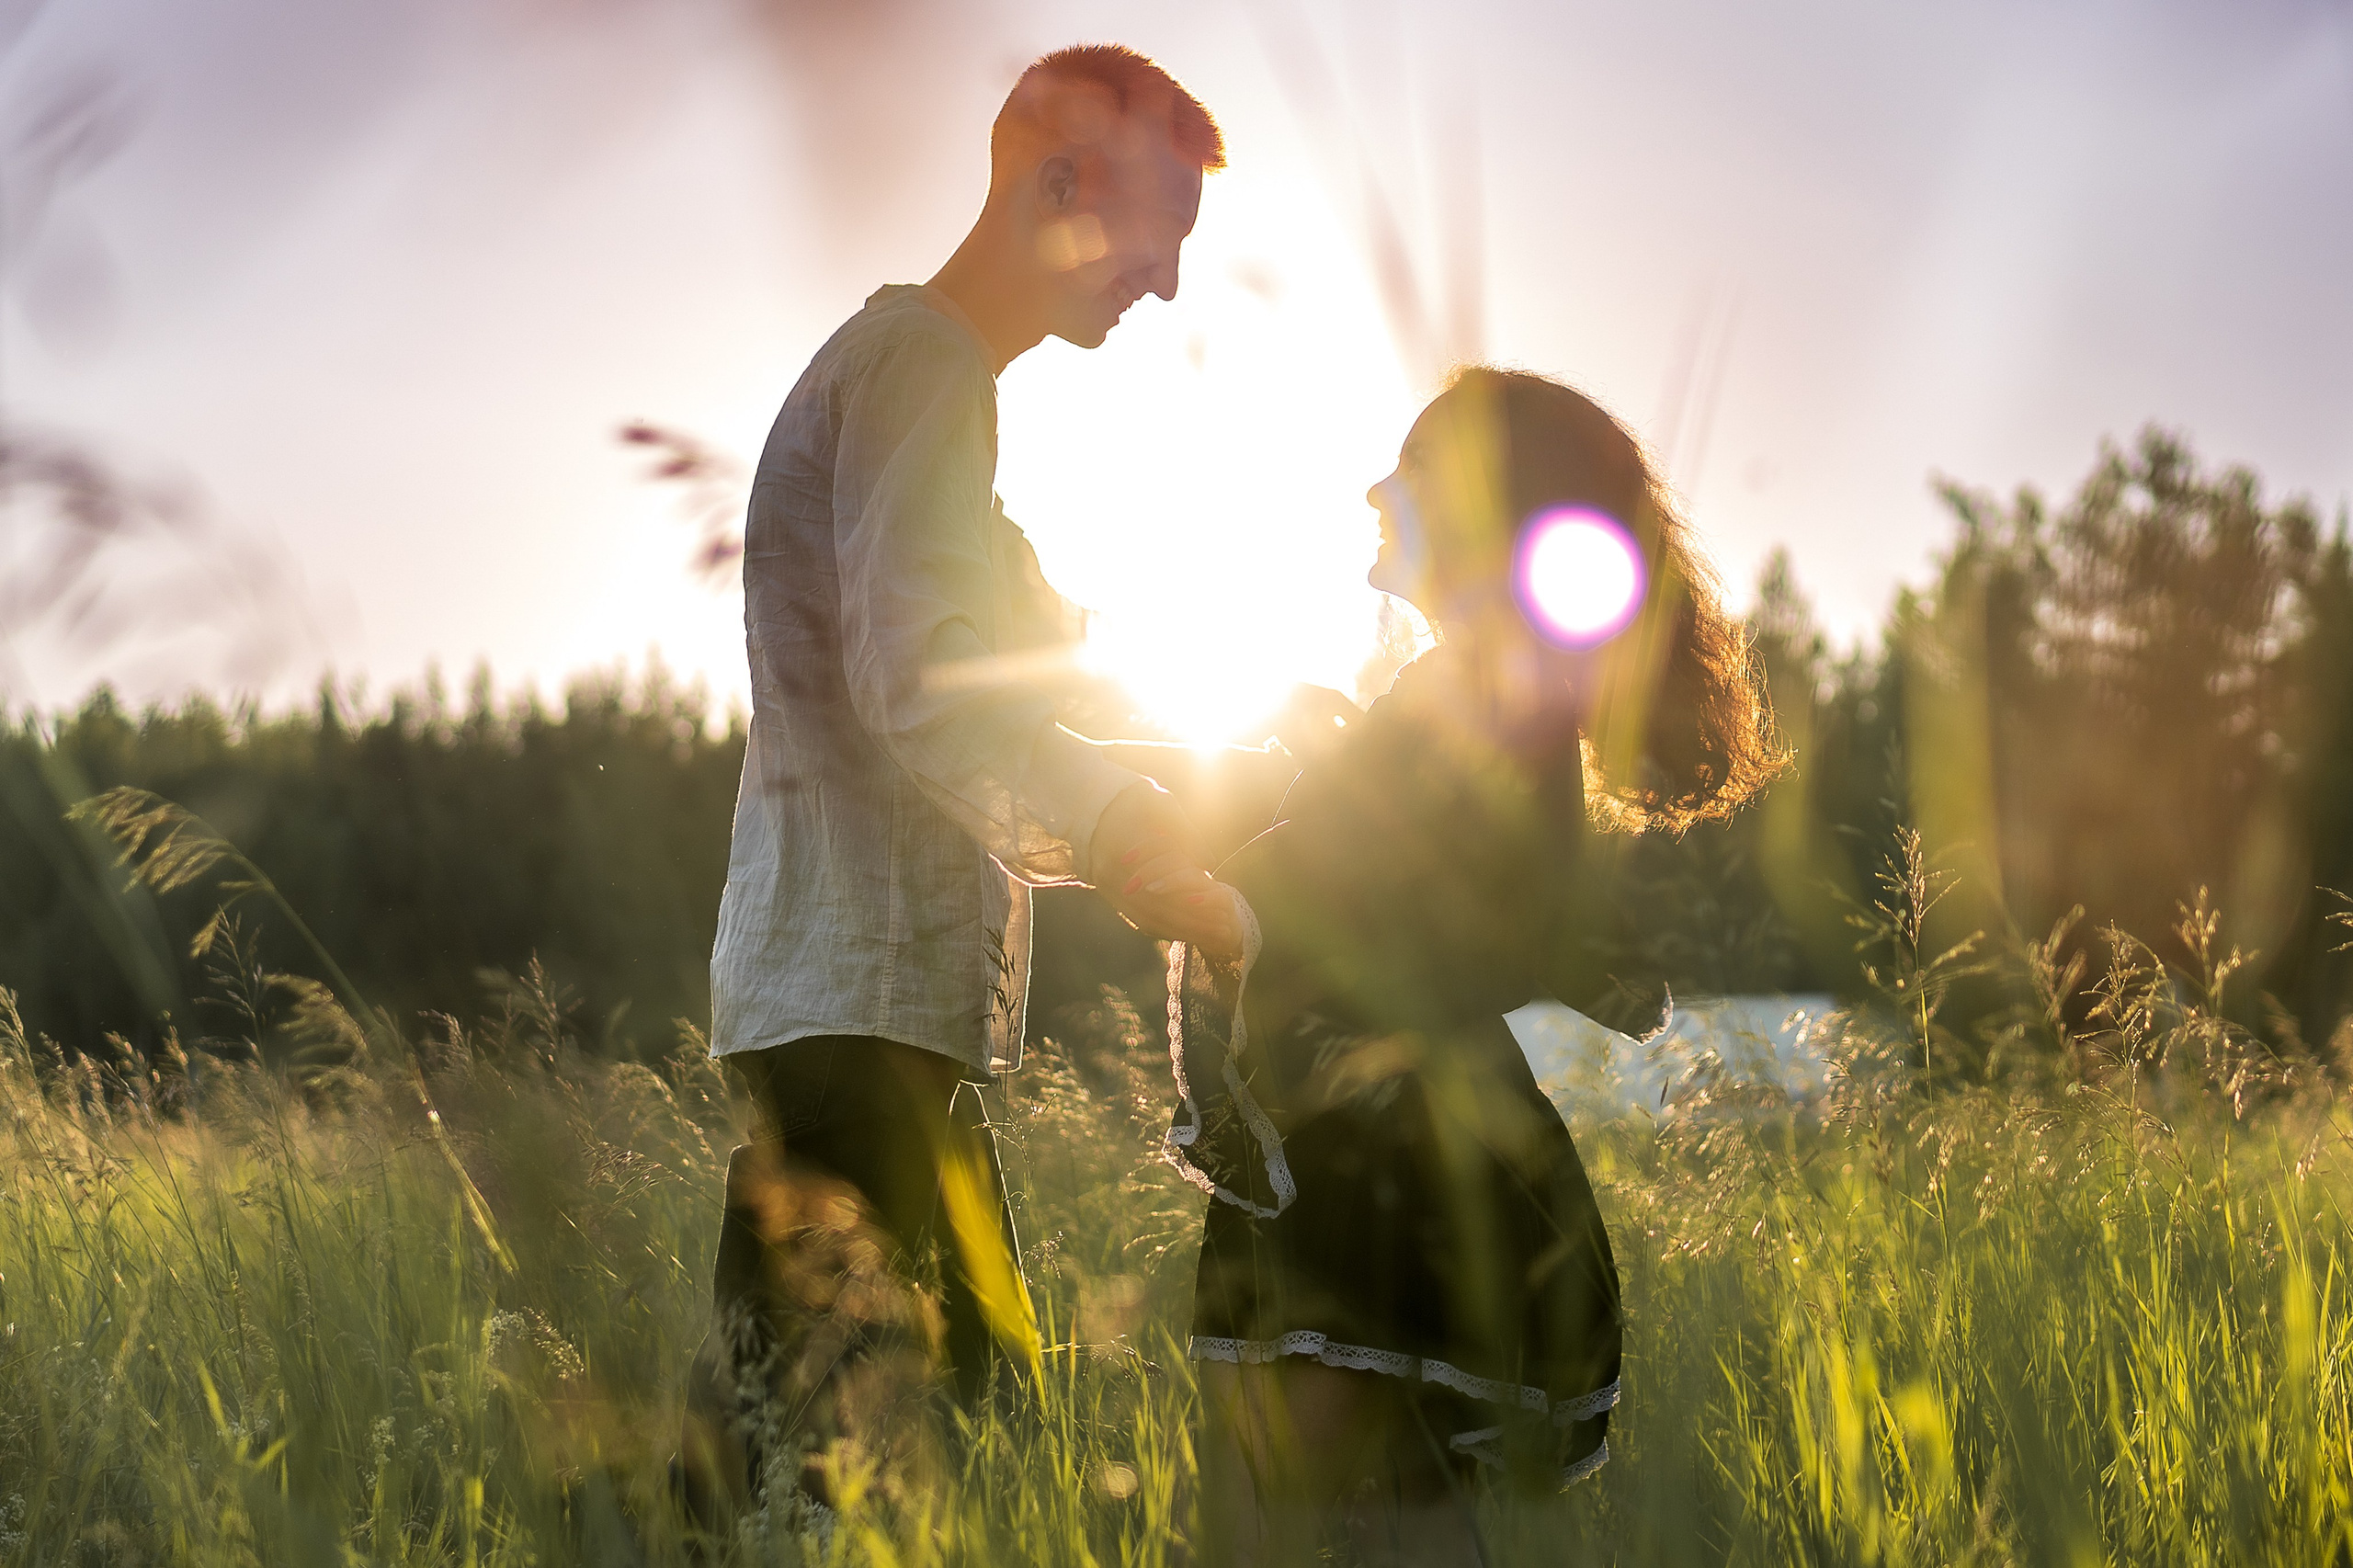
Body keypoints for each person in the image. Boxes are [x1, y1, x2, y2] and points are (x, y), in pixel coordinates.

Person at [678, 45, 1245, 1523]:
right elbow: (929, 693)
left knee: (853, 1450)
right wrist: (1125, 826)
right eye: (1158, 229)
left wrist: (1184, 787)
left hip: (864, 1017)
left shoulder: (915, 390)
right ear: (1058, 185)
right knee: (905, 1468)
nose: (1169, 282)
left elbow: (991, 702)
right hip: (856, 1019)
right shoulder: (923, 369)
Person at [1168, 368, 1783, 1565]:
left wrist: (1235, 865)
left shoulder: (1482, 682)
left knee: (1293, 1508)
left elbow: (1414, 898)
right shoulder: (1477, 682)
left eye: (1405, 464)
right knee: (1383, 1497)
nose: (1373, 486)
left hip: (1371, 1152)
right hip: (1389, 1133)